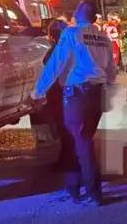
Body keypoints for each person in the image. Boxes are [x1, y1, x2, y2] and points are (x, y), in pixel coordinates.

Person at [32, 0, 117, 207]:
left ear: (81, 14)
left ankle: (93, 192)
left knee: (81, 142)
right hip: (96, 93)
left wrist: (38, 91)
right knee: (80, 140)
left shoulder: (71, 34)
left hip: (77, 94)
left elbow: (55, 64)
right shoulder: (103, 38)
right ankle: (73, 186)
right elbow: (111, 70)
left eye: (76, 9)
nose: (73, 12)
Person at [41, 20, 75, 173]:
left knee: (64, 127)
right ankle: (67, 157)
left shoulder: (57, 50)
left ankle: (69, 161)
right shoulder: (73, 48)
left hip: (59, 94)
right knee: (67, 128)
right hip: (71, 93)